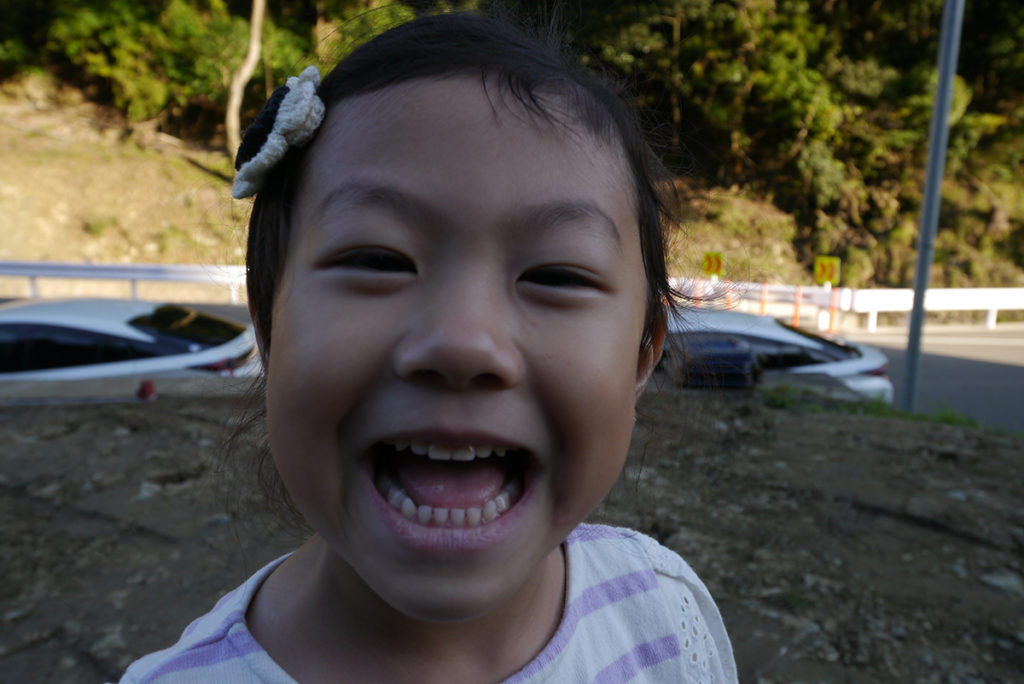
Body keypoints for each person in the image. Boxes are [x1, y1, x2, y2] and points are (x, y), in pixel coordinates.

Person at [117, 11, 737, 684]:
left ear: (643, 356)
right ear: (269, 326)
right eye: (379, 260)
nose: (463, 344)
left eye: (556, 276)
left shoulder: (663, 610)